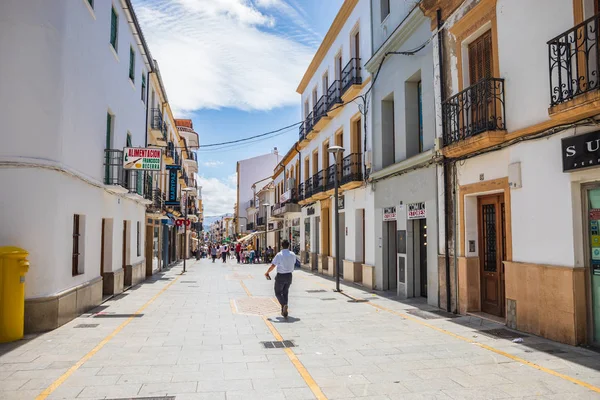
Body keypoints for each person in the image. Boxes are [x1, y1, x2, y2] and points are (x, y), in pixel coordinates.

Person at [264, 240, 296, 319]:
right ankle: (284, 311)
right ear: (288, 246)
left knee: (278, 292)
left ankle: (284, 304)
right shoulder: (293, 254)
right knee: (285, 292)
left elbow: (273, 265)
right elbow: (293, 263)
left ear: (281, 246)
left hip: (281, 276)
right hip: (289, 276)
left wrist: (267, 272)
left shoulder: (279, 255)